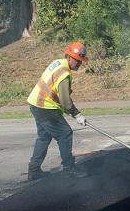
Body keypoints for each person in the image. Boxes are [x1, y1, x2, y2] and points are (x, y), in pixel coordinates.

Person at [25, 42, 90, 180]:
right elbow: (65, 101)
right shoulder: (64, 73)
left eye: (81, 61)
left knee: (44, 137)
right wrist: (76, 114)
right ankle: (69, 168)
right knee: (65, 134)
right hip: (45, 107)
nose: (79, 64)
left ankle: (34, 170)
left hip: (36, 104)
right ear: (69, 57)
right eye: (77, 60)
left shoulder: (58, 63)